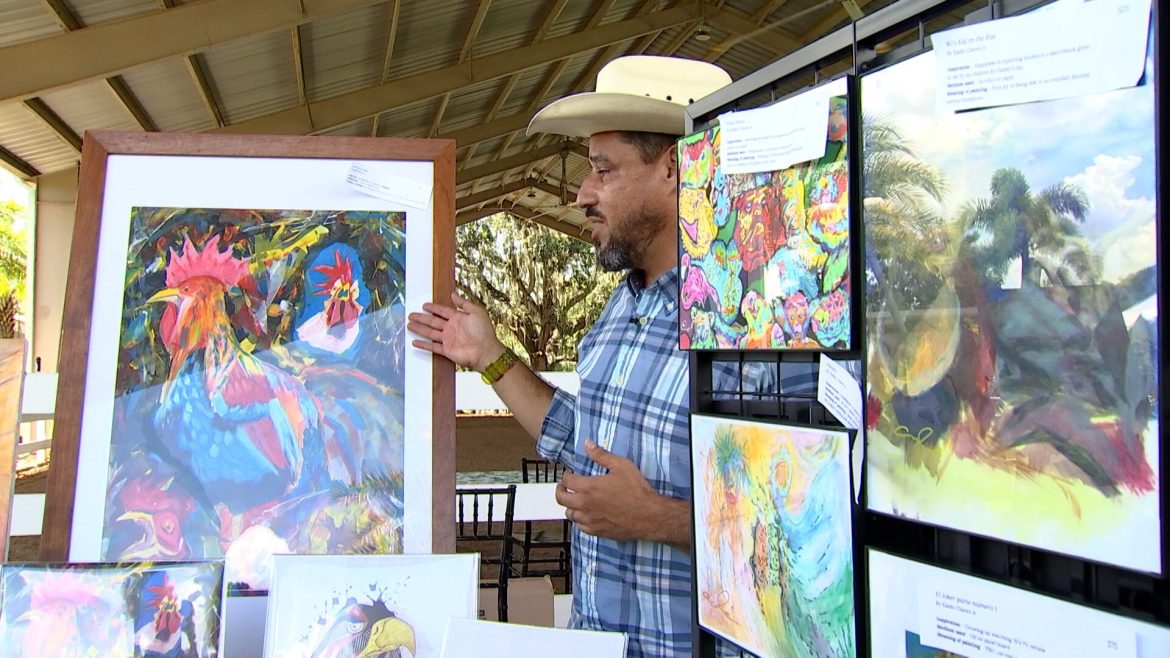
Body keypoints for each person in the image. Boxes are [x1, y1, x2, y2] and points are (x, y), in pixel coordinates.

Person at [408, 55, 736, 657]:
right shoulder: (622, 304)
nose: (582, 193)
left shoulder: (751, 321)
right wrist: (488, 355)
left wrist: (659, 519)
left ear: (675, 168)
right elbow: (578, 439)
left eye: (603, 169)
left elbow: (817, 527)